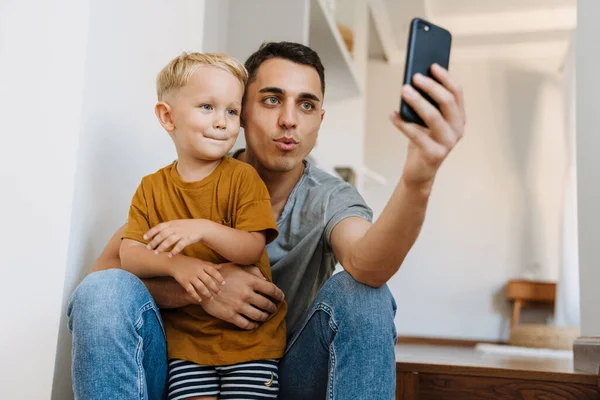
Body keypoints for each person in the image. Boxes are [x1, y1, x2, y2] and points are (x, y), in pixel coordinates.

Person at [68, 41, 465, 400]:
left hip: (280, 371)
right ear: (242, 111)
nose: (289, 119)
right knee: (104, 292)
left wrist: (419, 178)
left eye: (306, 105)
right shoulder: (191, 180)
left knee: (365, 294)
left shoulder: (329, 197)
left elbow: (368, 264)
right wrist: (202, 289)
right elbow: (104, 282)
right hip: (182, 368)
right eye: (272, 100)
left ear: (319, 120)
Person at [118, 51, 286, 400]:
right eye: (207, 107)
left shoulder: (243, 178)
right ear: (167, 117)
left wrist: (203, 228)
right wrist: (178, 265)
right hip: (185, 348)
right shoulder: (151, 187)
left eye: (231, 110)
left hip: (250, 344)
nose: (222, 122)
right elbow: (129, 254)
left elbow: (252, 248)